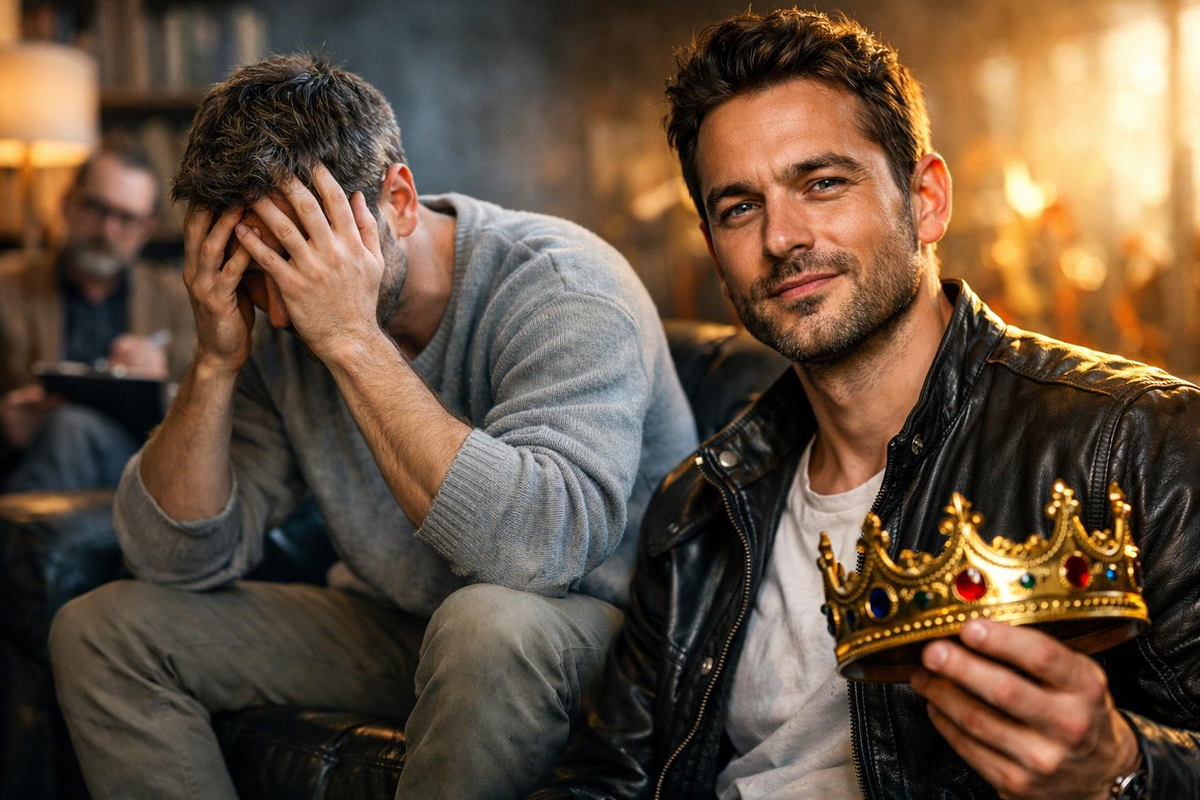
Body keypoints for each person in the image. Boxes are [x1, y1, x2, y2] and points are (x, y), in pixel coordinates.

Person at [533, 9, 1200, 800]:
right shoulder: (699, 510)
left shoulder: (1139, 444)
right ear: (715, 253)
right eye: (739, 207)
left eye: (822, 183)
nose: (781, 238)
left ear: (927, 199)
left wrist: (1118, 764)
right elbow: (603, 780)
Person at [46, 55, 697, 800]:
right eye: (253, 270)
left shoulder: (565, 287)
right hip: (406, 624)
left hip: (597, 638)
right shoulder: (273, 329)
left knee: (487, 625)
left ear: (400, 202)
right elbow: (173, 561)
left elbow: (540, 551)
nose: (281, 311)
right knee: (103, 630)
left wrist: (351, 339)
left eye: (302, 260)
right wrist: (216, 361)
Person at [0, 146, 194, 491]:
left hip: (141, 468)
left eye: (127, 219)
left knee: (71, 427)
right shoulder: (8, 290)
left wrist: (162, 388)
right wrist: (4, 425)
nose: (107, 230)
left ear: (147, 228)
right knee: (68, 428)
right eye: (96, 208)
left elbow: (216, 415)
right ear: (66, 204)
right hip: (32, 458)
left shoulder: (179, 301)